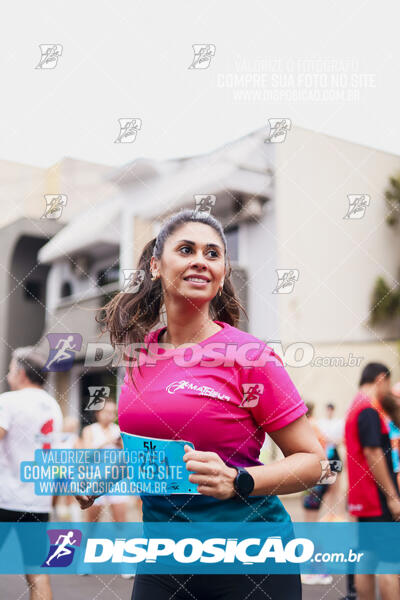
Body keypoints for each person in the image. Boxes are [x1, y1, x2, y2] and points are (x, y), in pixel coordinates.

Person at [77, 209, 326, 599]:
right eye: (187, 249)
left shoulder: (249, 356)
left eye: (213, 254)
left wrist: (239, 480)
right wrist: (105, 469)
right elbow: (144, 446)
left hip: (251, 557)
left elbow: (313, 461)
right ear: (156, 266)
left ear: (223, 271)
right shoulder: (140, 357)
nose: (201, 261)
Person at [0, 346, 63, 600]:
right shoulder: (53, 407)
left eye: (12, 368)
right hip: (38, 501)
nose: (8, 373)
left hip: (4, 497)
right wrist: (53, 501)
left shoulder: (8, 401)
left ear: (22, 373)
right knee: (37, 573)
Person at [344, 362, 400, 600]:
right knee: (390, 564)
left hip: (363, 500)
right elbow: (373, 453)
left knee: (366, 558)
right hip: (377, 500)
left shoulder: (353, 408)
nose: (387, 391)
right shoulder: (368, 410)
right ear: (380, 379)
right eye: (388, 384)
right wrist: (392, 496)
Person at [81, 398, 129, 523]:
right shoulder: (90, 430)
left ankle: (120, 542)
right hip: (95, 478)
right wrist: (106, 441)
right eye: (106, 412)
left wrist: (121, 445)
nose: (110, 415)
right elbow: (86, 455)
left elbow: (128, 455)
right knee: (92, 522)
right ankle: (88, 541)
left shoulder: (119, 430)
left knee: (120, 521)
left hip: (116, 480)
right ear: (98, 413)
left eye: (113, 412)